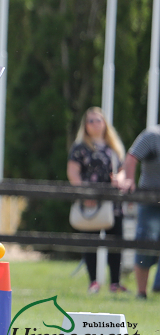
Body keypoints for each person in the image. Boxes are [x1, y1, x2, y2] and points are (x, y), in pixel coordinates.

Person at [67, 107, 128, 294]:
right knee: (91, 242)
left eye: (98, 120)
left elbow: (124, 168)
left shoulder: (114, 146)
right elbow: (73, 173)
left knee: (116, 242)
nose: (95, 124)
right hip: (90, 201)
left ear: (105, 123)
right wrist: (85, 194)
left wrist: (120, 179)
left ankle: (115, 283)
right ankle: (93, 281)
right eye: (91, 121)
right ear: (85, 126)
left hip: (113, 201)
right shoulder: (80, 147)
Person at [121, 125, 160, 299]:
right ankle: (141, 293)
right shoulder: (153, 135)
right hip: (150, 200)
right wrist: (129, 179)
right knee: (145, 243)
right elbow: (132, 156)